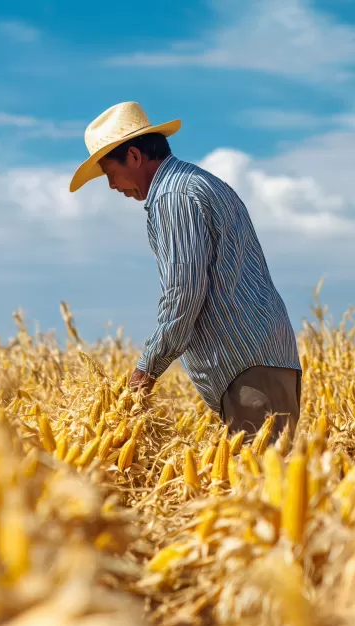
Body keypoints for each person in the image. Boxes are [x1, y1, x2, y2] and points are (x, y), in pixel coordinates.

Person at [68, 101, 302, 443]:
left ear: (133, 156)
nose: (112, 186)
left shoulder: (172, 197)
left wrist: (146, 370)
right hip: (261, 358)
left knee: (265, 482)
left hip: (248, 367)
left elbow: (184, 290)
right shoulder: (195, 183)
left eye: (109, 172)